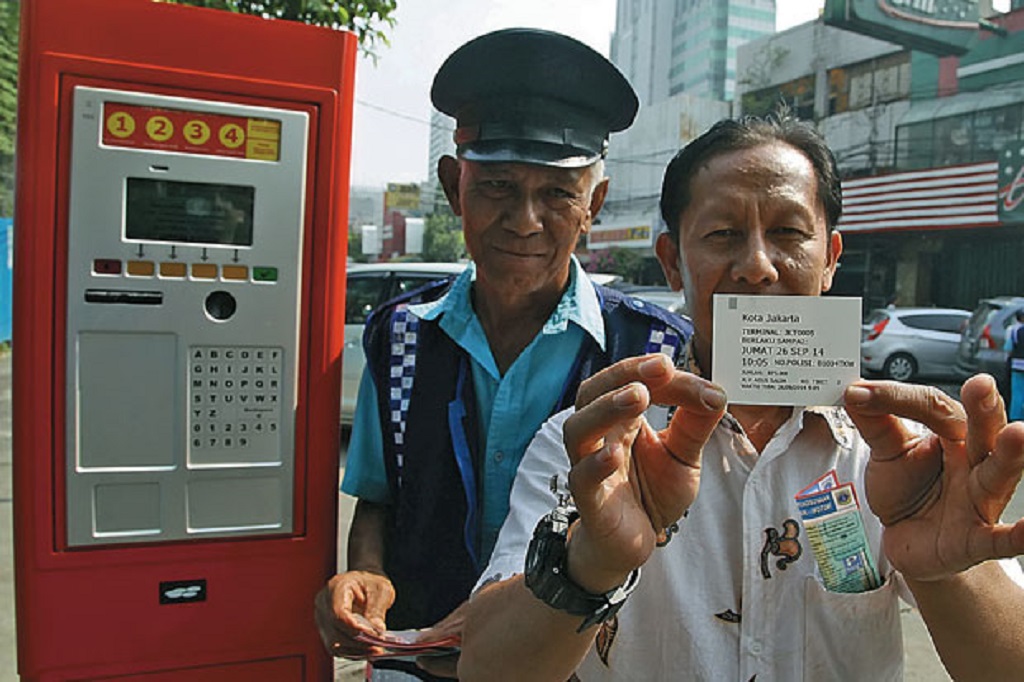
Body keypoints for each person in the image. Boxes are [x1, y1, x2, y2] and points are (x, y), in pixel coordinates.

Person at [456, 113, 1024, 681]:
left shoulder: (901, 457)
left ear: (830, 259)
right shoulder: (590, 451)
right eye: (723, 234)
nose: (756, 266)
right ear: (673, 262)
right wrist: (588, 562)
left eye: (789, 234)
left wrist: (948, 570)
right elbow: (485, 671)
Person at [315, 28, 694, 680]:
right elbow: (378, 500)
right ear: (451, 186)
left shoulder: (657, 355)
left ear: (593, 206)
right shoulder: (398, 335)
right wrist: (364, 576)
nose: (524, 219)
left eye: (556, 193)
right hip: (420, 662)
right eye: (496, 186)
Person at [1004, 309, 1024, 421]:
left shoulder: (1013, 330)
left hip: (1017, 365)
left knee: (1017, 392)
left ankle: (1015, 417)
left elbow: (1008, 348)